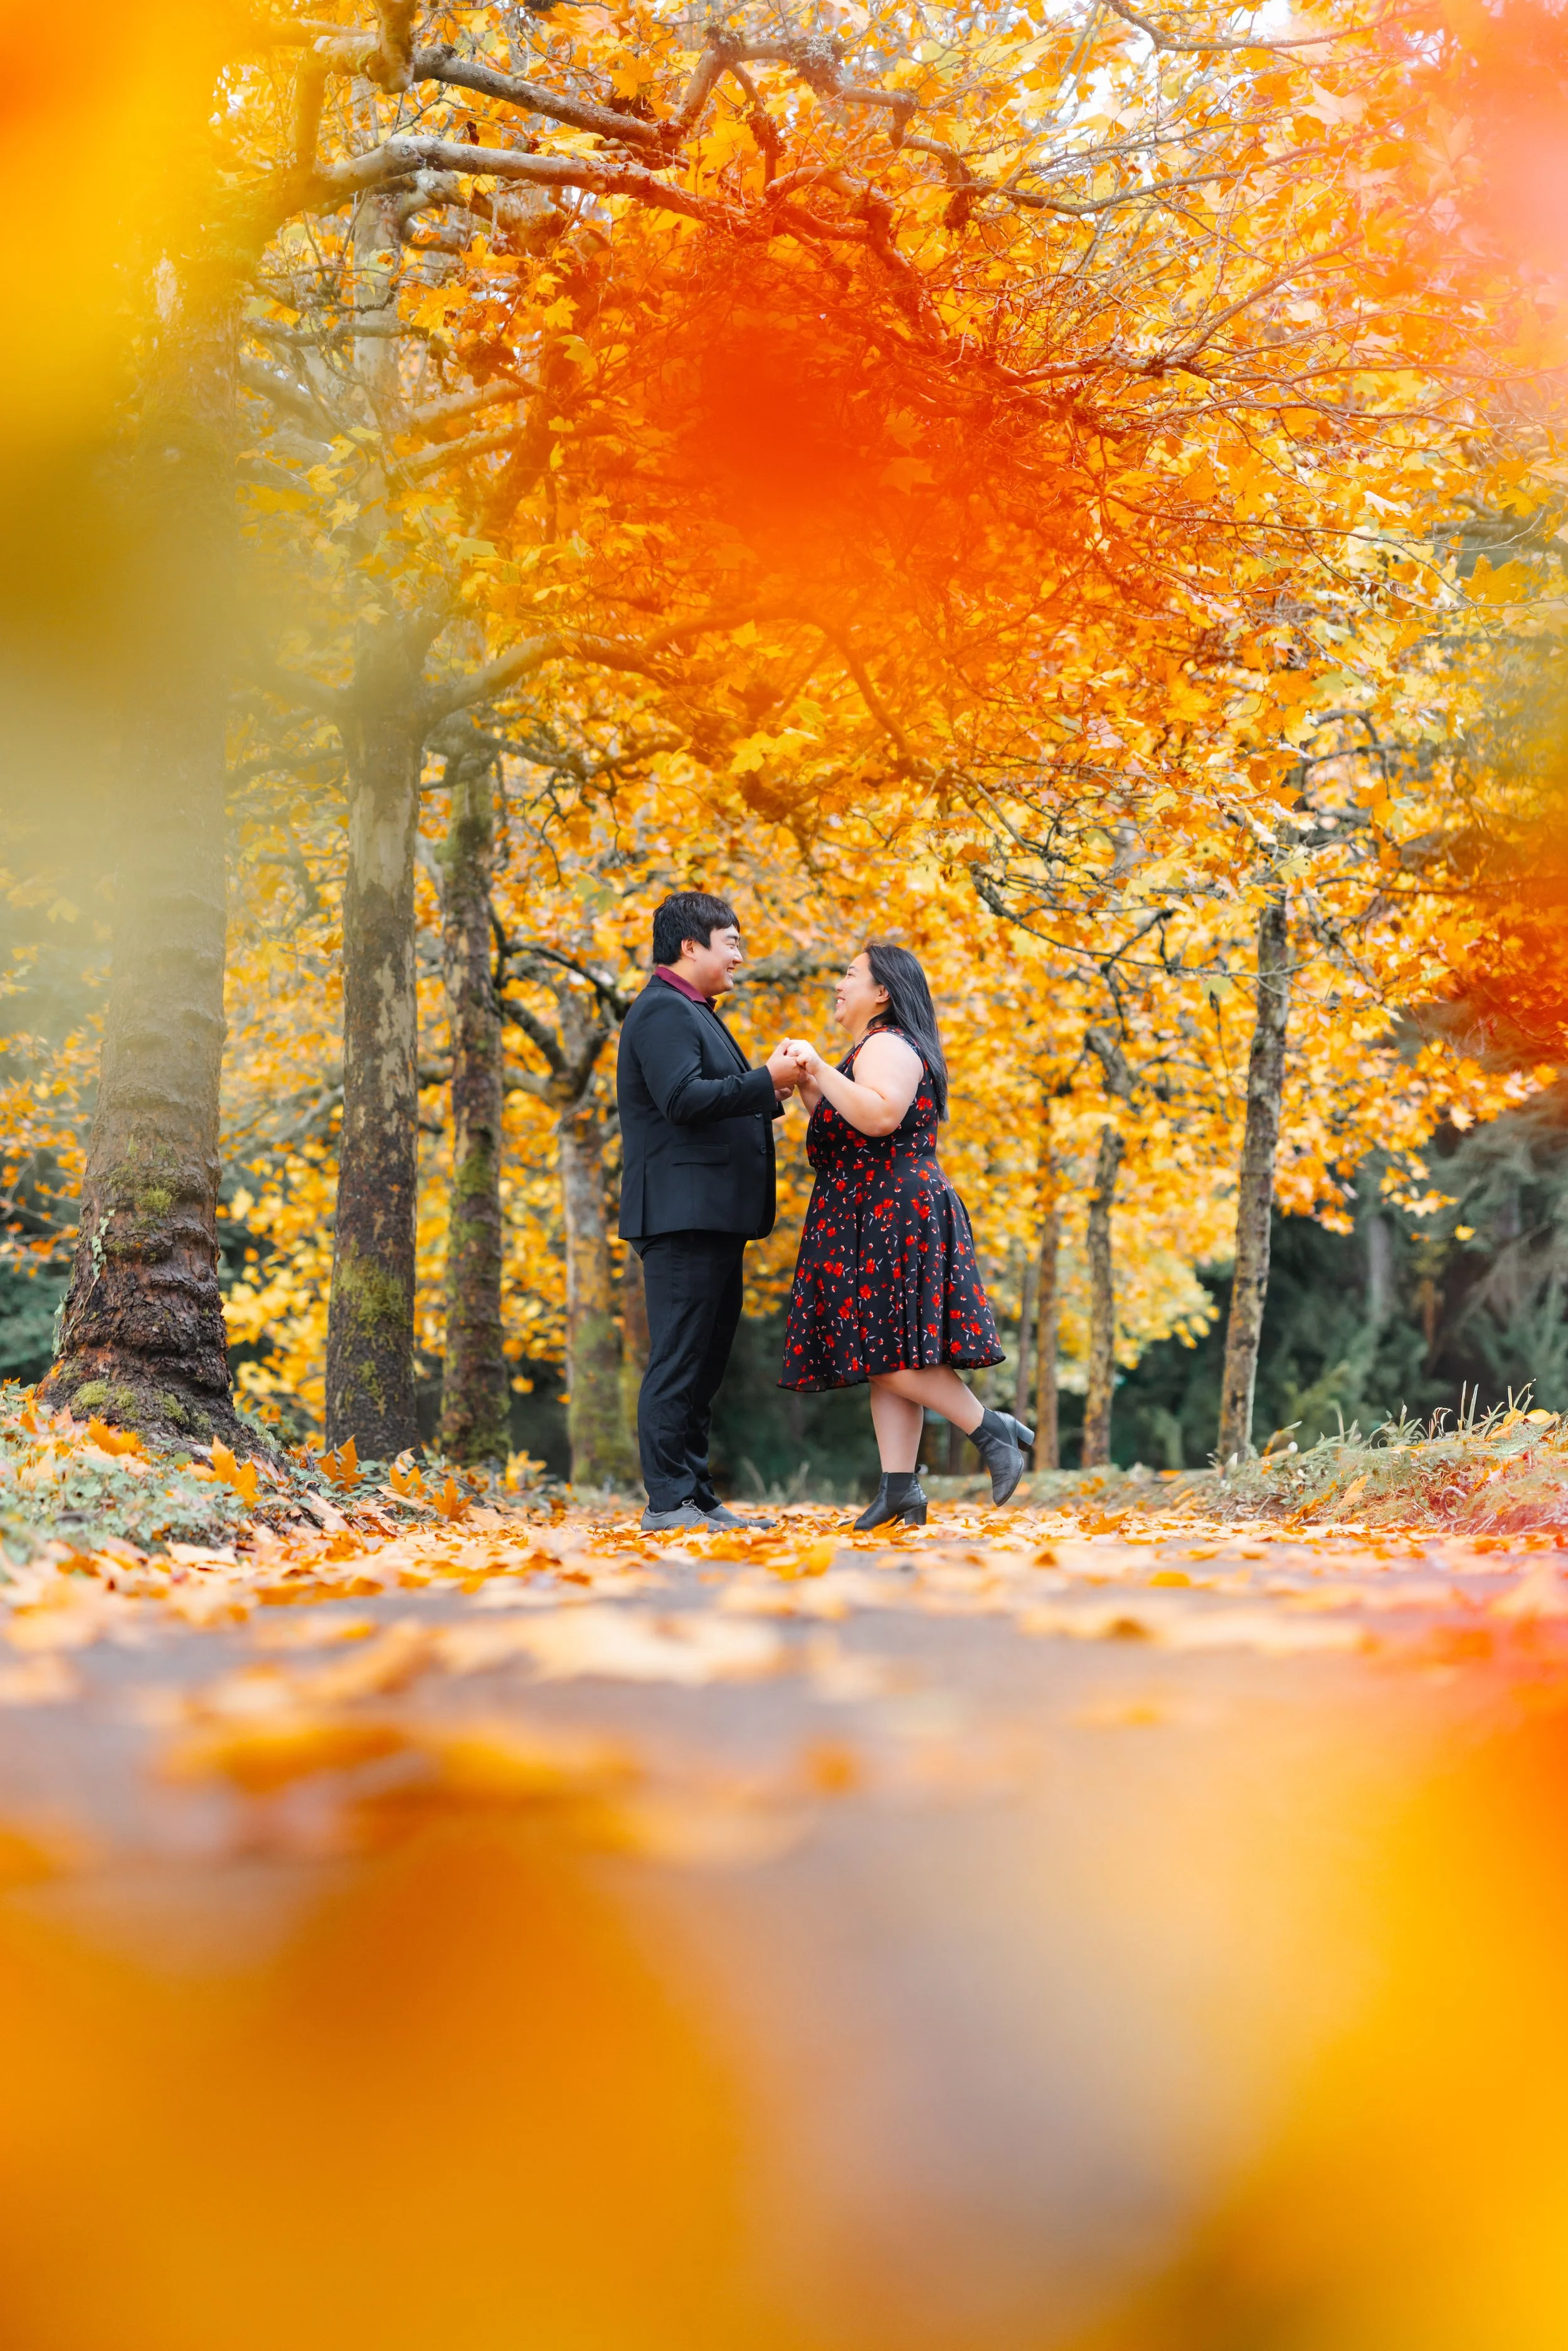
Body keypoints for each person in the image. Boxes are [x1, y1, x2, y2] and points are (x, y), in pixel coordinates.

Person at [776, 943, 1033, 1530]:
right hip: (875, 1209)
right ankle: (900, 1489)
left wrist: (817, 1067)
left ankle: (991, 1431)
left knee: (880, 1350)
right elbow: (846, 1128)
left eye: (849, 975)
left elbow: (881, 1115)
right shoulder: (869, 1050)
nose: (838, 985)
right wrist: (809, 1081)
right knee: (889, 1352)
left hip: (891, 1211)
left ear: (883, 992)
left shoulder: (886, 1044)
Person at [618, 891, 804, 1532]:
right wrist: (767, 1080)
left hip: (710, 1217)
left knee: (703, 1361)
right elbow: (682, 1099)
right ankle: (668, 1499)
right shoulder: (664, 1011)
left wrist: (766, 1082)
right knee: (679, 1358)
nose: (739, 957)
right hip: (681, 1216)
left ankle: (694, 1493)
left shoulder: (693, 1010)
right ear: (689, 945)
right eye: (731, 943)